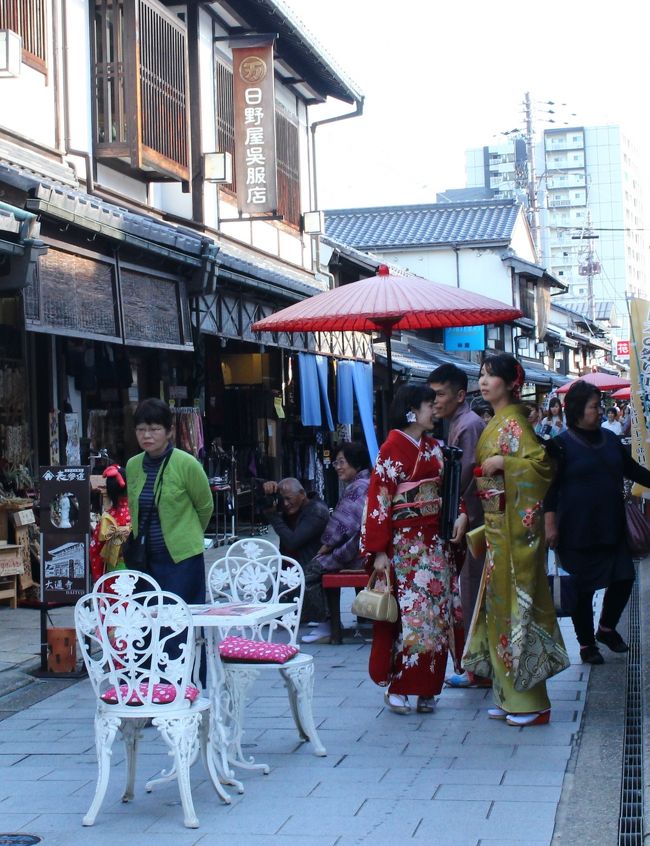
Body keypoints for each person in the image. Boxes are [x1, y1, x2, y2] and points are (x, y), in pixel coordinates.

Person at [462, 354, 569, 726]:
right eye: (481, 375)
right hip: (499, 532)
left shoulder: (515, 426)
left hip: (515, 534)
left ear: (511, 383)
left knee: (518, 613)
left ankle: (534, 703)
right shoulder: (496, 424)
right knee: (500, 614)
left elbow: (543, 467)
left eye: (491, 376)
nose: (484, 381)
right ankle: (509, 696)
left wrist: (507, 465)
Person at [360, 384, 468, 715]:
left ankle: (426, 689)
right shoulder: (392, 448)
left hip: (434, 544)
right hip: (404, 548)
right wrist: (378, 550)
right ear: (411, 410)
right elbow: (378, 501)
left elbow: (449, 489)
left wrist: (460, 512)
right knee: (410, 619)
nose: (434, 410)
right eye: (428, 405)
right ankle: (400, 685)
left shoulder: (434, 448)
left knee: (435, 618)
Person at [544, 381, 650, 664]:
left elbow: (633, 470)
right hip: (576, 529)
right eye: (594, 406)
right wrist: (550, 524)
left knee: (624, 577)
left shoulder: (611, 440)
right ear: (578, 410)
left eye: (600, 405)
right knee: (582, 590)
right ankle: (586, 643)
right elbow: (549, 489)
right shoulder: (560, 446)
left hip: (611, 525)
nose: (600, 410)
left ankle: (605, 628)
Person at [427, 364, 489, 689]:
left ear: (460, 395)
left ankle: (477, 666)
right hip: (465, 518)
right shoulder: (459, 423)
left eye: (440, 394)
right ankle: (474, 664)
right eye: (432, 394)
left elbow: (467, 479)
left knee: (473, 593)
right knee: (468, 593)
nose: (434, 401)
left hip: (473, 520)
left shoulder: (468, 425)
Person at [126, 398, 213, 604]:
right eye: (141, 429)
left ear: (169, 431)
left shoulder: (187, 464)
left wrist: (187, 534)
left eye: (154, 429)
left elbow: (205, 506)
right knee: (148, 624)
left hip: (182, 560)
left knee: (177, 623)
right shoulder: (132, 466)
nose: (147, 435)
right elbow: (133, 507)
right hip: (145, 559)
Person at [301, 442, 372, 643]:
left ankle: (326, 623)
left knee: (313, 569)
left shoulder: (357, 487)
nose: (338, 466)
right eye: (336, 462)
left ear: (355, 464)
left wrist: (325, 548)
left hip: (356, 552)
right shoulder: (368, 482)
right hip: (365, 548)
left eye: (342, 462)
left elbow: (341, 526)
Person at [261, 477, 330, 571]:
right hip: (292, 571)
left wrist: (273, 516)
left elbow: (292, 542)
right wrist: (267, 487)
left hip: (311, 573)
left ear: (302, 494)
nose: (285, 503)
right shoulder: (295, 509)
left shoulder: (316, 511)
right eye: (282, 499)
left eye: (289, 498)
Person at [89, 465, 131, 584]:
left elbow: (95, 550)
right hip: (139, 574)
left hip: (114, 574)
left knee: (114, 601)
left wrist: (98, 577)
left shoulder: (107, 517)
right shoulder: (137, 513)